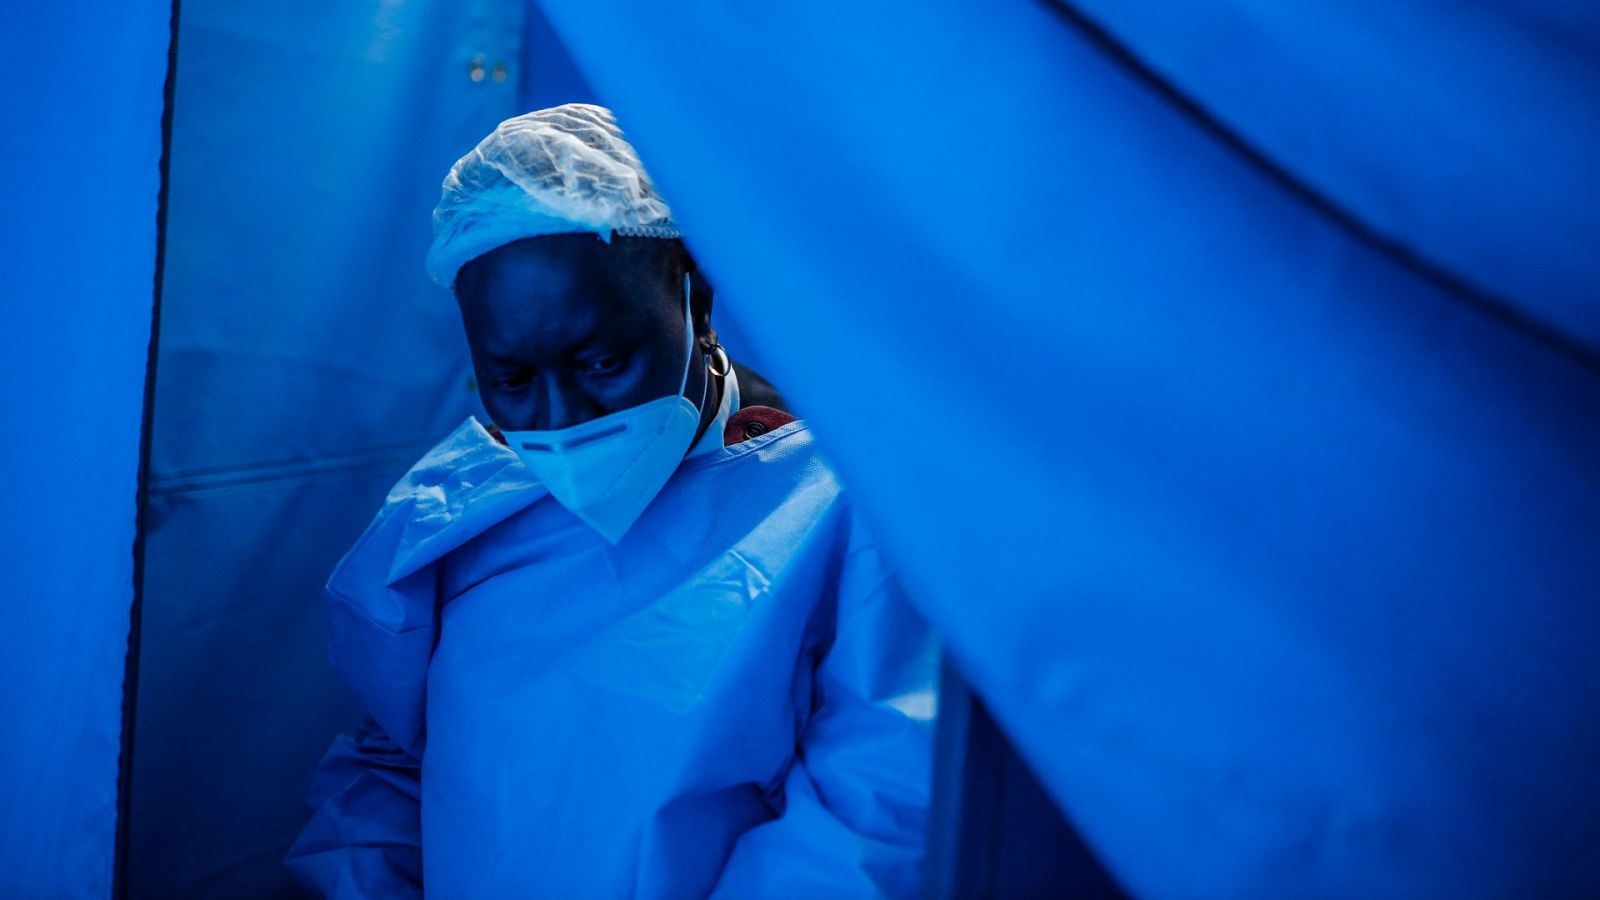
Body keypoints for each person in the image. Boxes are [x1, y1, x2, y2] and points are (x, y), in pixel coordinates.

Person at [285, 103, 938, 898]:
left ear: (696, 301)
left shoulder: (844, 513)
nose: (560, 423)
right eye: (513, 382)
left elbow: (868, 819)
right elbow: (391, 766)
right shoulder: (454, 511)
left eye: (601, 362)